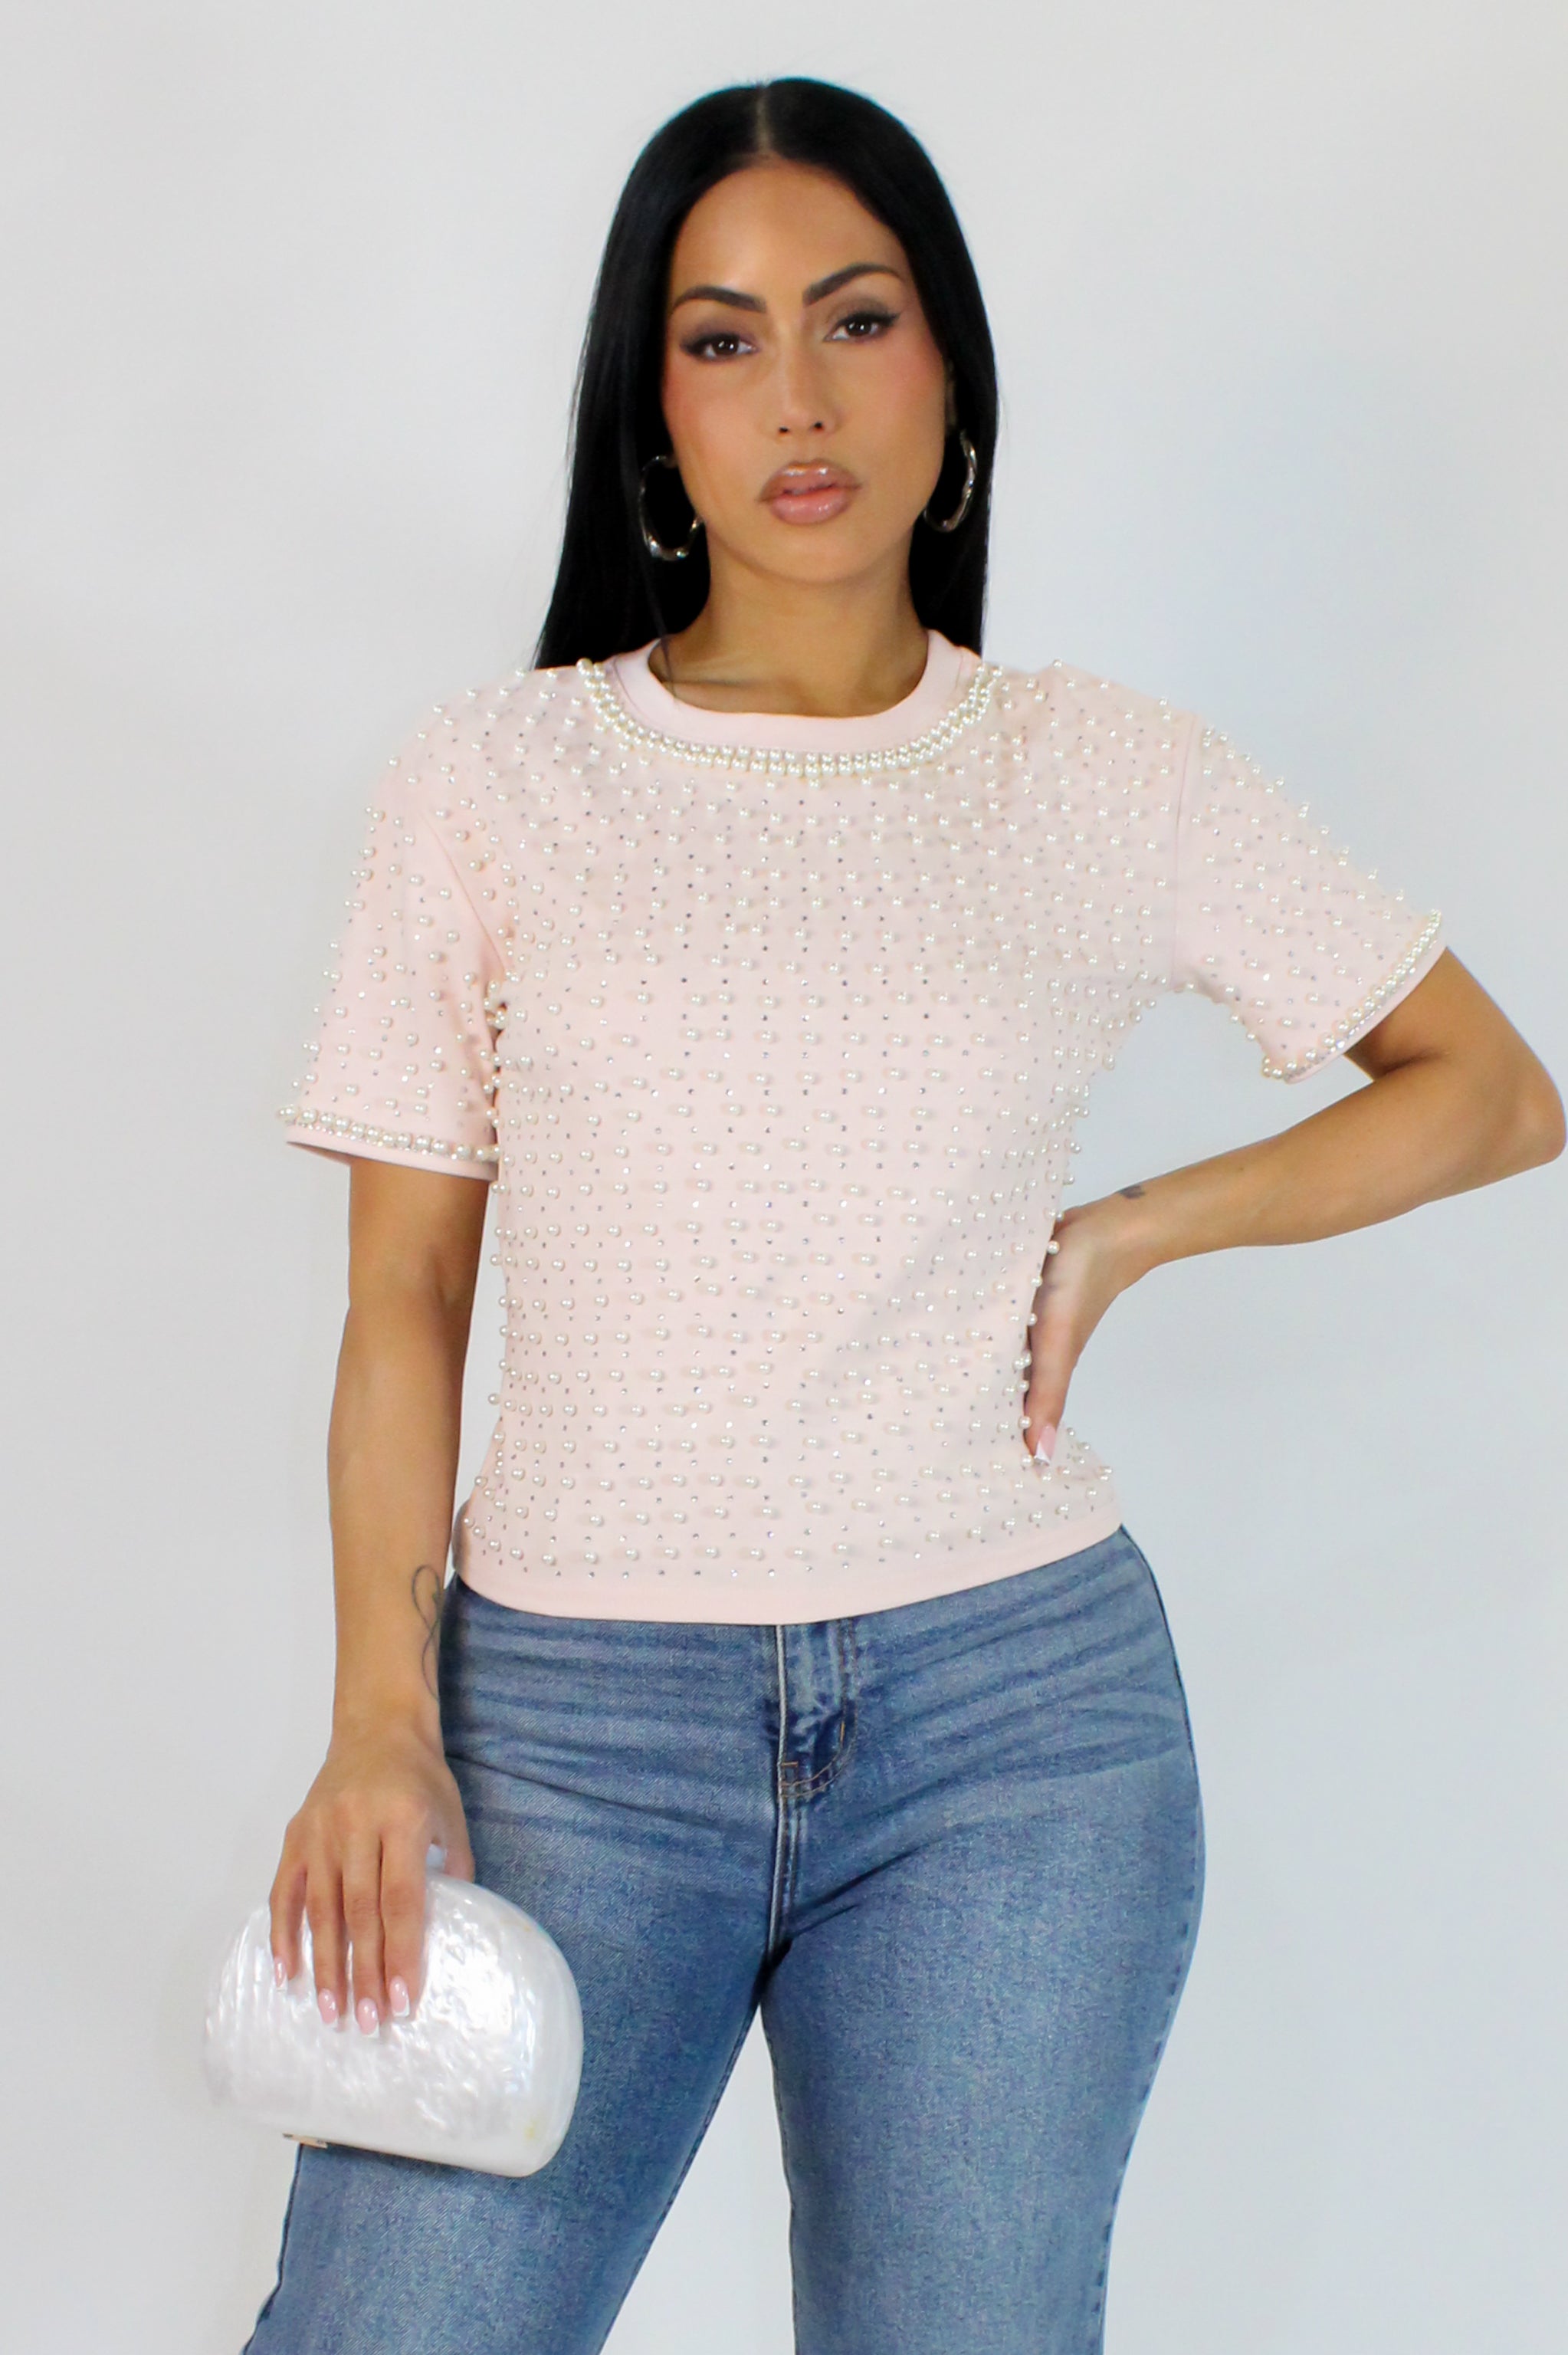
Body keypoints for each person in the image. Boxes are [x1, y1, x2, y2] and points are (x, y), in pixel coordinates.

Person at [244, 75, 1563, 2355]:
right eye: (723, 338)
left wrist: (1134, 1227)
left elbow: (1493, 1093)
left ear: (949, 366)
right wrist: (382, 1713)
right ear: (653, 409)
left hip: (1014, 1732)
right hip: (562, 1733)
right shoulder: (496, 780)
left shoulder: (1102, 769)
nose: (800, 398)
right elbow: (406, 1302)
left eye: (856, 321)